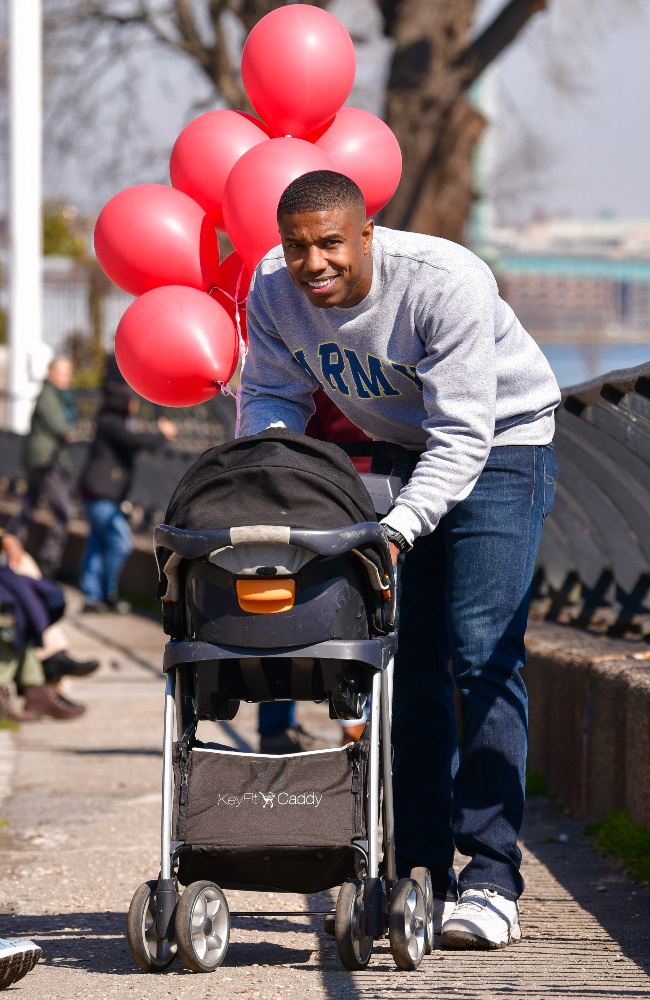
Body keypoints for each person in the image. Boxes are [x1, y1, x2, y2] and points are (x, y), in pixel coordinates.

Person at [238, 170, 561, 949]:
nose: (313, 262)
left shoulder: (444, 282)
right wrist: (265, 485)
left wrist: (399, 527)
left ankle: (491, 877)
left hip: (504, 441)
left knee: (479, 650)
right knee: (406, 664)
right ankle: (418, 871)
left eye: (330, 244)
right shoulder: (272, 286)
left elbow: (462, 437)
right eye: (297, 245)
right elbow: (272, 394)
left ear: (366, 234)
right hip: (401, 443)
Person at [79, 377, 177, 613]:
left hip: (98, 493)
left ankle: (93, 597)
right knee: (120, 542)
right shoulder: (110, 422)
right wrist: (162, 435)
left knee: (98, 544)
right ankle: (106, 594)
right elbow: (133, 441)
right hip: (99, 493)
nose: (135, 404)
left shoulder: (110, 421)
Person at [7, 357, 77, 579]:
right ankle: (48, 564)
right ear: (52, 373)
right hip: (46, 462)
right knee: (64, 512)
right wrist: (68, 429)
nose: (68, 378)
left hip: (41, 461)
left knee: (27, 508)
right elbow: (60, 426)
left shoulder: (56, 396)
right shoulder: (49, 395)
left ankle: (10, 553)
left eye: (69, 373)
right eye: (64, 373)